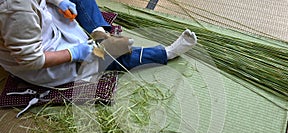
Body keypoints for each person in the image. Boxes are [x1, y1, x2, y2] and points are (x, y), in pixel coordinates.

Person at [0, 0, 197, 87]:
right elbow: (31, 60)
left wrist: (59, 2)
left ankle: (100, 34)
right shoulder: (15, 9)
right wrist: (74, 53)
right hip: (48, 57)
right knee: (108, 56)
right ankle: (166, 53)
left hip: (45, 23)